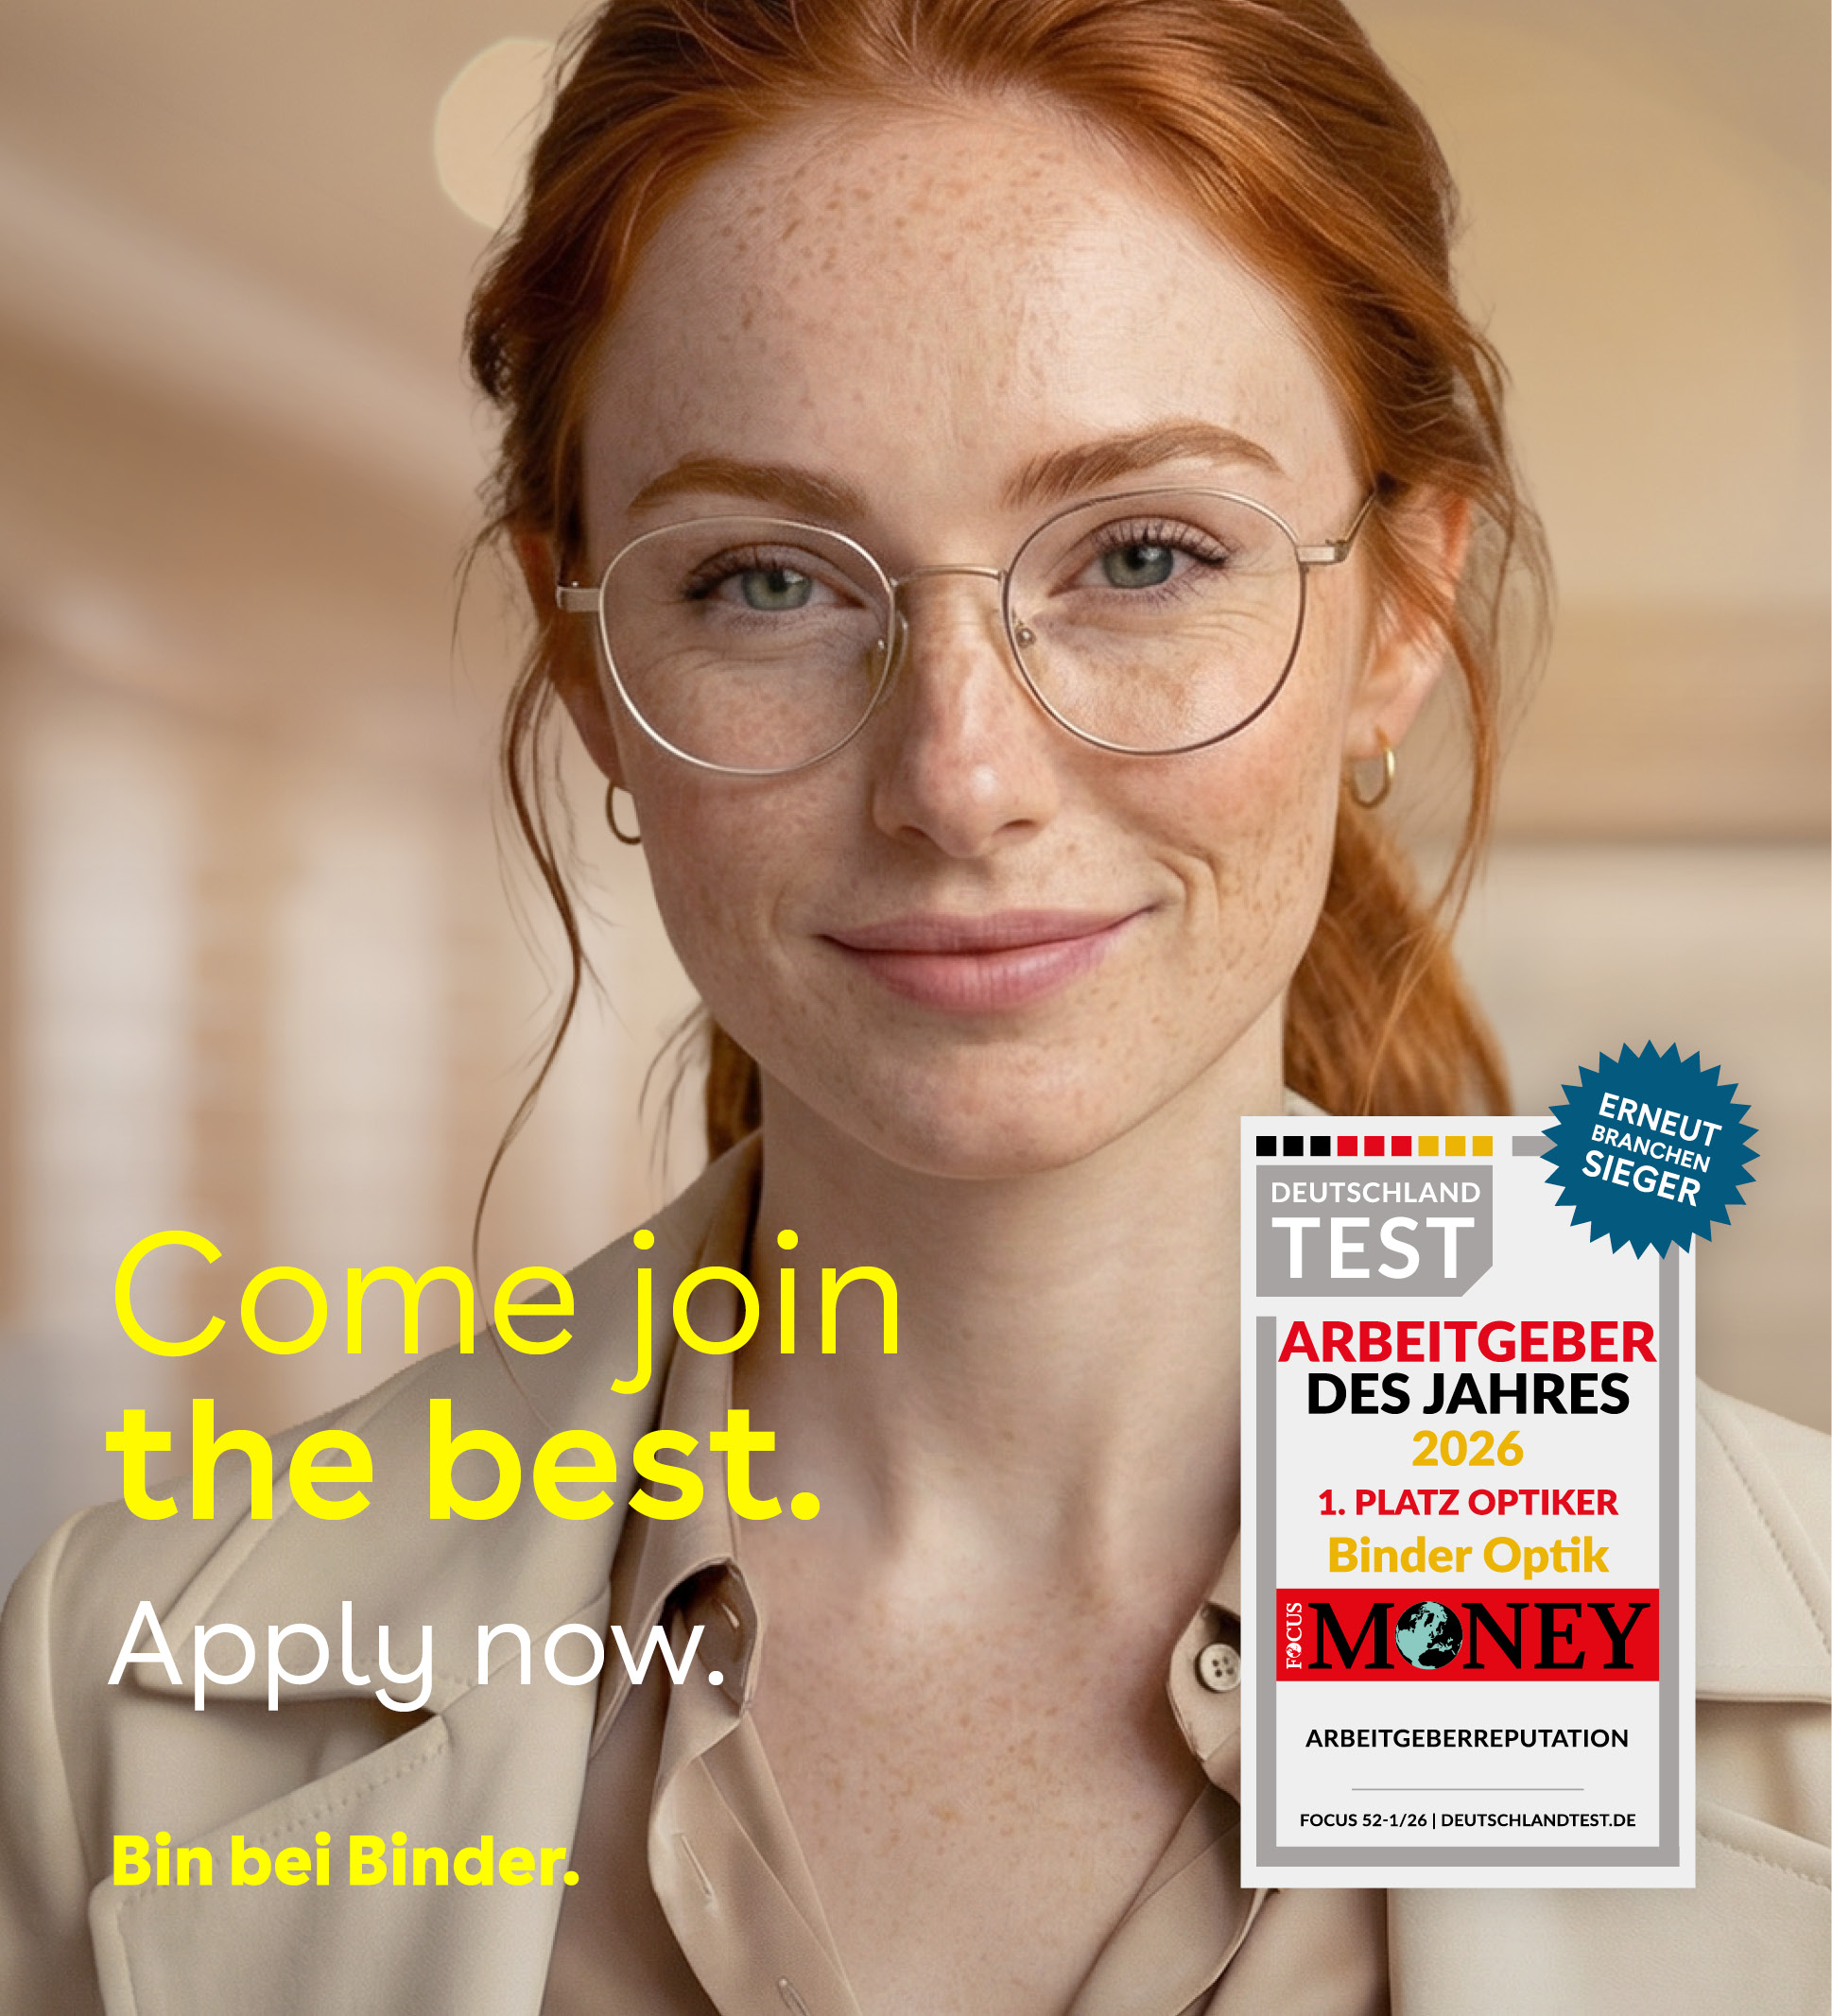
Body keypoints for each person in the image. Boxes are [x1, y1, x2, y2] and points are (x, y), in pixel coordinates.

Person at [0, 2, 1824, 2011]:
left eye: (1144, 552)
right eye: (769, 582)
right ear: (586, 650)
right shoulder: (128, 1699)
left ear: (1401, 608)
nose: (959, 781)